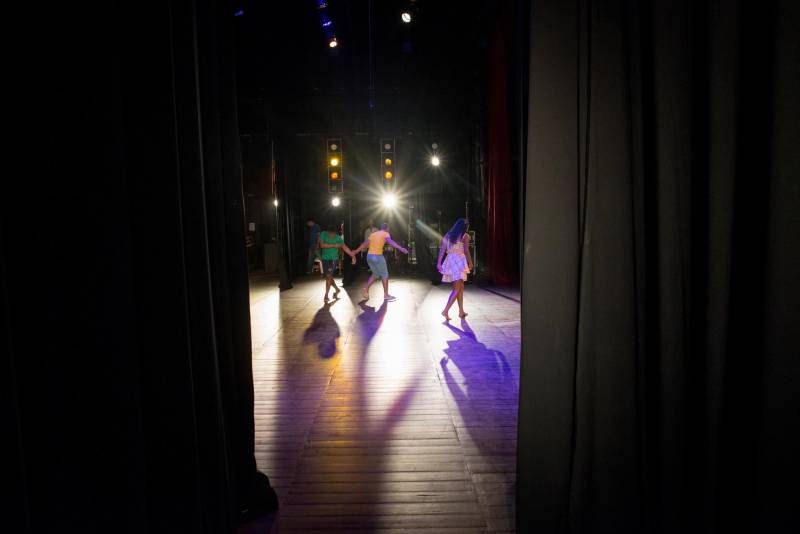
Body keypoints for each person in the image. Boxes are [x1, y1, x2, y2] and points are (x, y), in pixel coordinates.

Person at [351, 223, 408, 301]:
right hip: (377, 256)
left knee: (375, 274)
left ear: (381, 228)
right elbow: (390, 241)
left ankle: (366, 288)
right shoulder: (386, 233)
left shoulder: (373, 234)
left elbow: (365, 244)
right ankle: (386, 295)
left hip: (369, 256)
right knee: (385, 275)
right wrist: (401, 248)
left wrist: (356, 251)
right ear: (387, 229)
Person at [437, 218, 473, 320]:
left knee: (460, 288)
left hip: (450, 261)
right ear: (464, 227)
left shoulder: (448, 235)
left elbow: (443, 249)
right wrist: (470, 262)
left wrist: (439, 263)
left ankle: (461, 311)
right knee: (457, 288)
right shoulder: (465, 236)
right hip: (459, 262)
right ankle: (445, 310)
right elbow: (466, 251)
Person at [318, 222, 357, 301]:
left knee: (328, 276)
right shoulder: (323, 234)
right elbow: (322, 245)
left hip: (333, 259)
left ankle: (326, 295)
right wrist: (334, 245)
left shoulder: (338, 238)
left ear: (335, 233)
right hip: (325, 258)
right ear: (327, 231)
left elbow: (345, 248)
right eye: (330, 233)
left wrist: (353, 256)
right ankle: (337, 289)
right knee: (328, 277)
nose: (331, 235)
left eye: (332, 234)